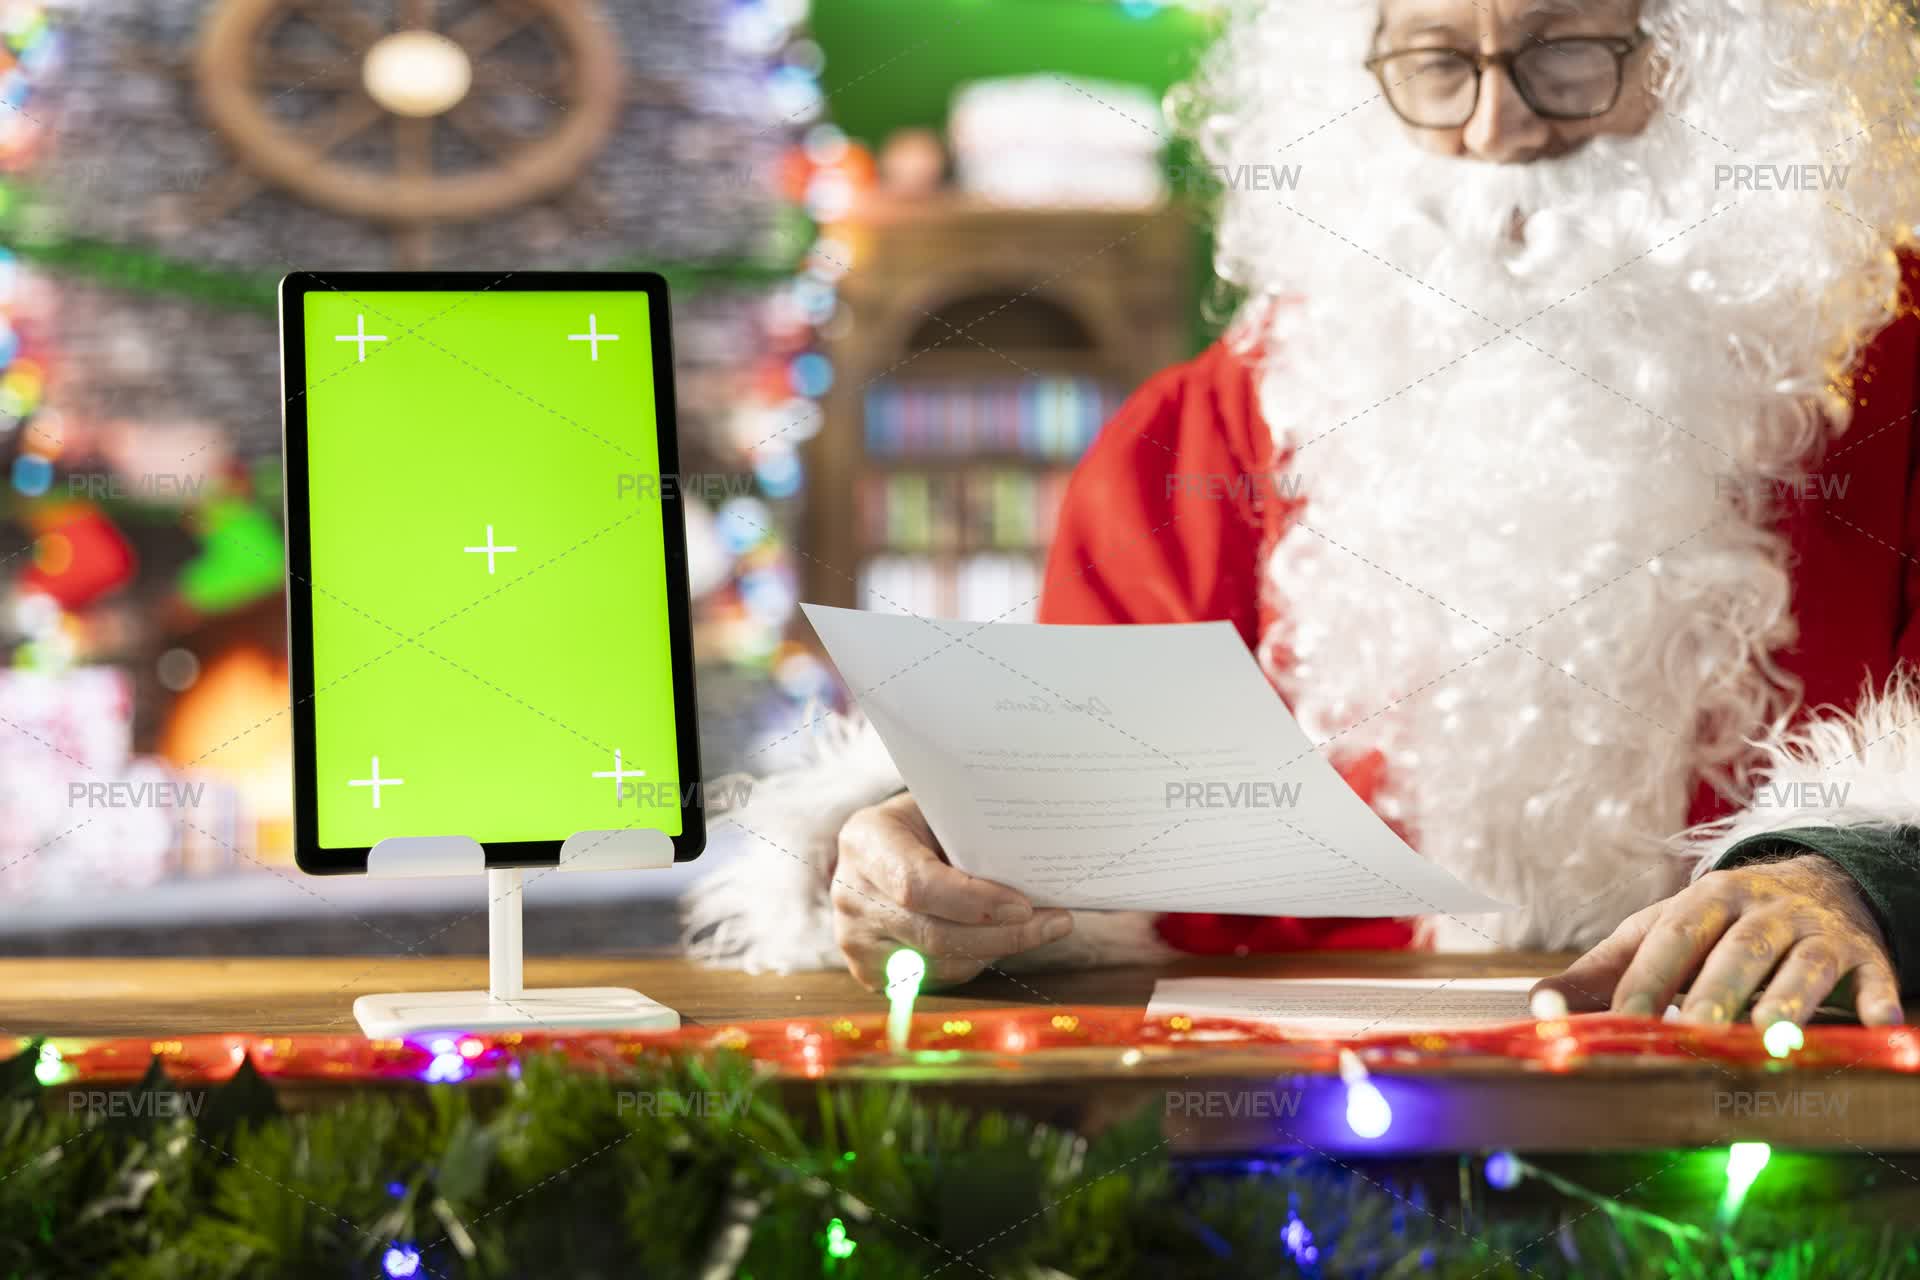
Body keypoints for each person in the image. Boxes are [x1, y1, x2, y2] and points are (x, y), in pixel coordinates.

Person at [687, 0, 1920, 1028]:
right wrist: (929, 858)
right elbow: (1058, 840)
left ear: (1714, 60)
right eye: (1437, 64)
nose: (1498, 129)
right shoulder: (1188, 449)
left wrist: (1870, 875)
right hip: (1282, 1169)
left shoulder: (1899, 390)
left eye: (1569, 55)